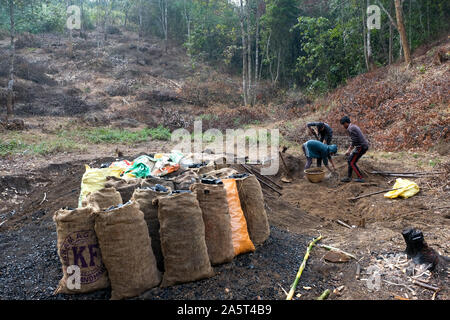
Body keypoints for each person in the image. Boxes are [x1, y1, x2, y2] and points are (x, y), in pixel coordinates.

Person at [340, 116, 369, 183]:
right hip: (361, 146)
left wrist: (349, 150)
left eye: (343, 124)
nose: (343, 126)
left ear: (346, 123)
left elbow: (355, 141)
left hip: (361, 146)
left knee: (351, 162)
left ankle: (360, 178)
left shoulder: (351, 128)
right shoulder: (353, 126)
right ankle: (349, 177)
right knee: (350, 160)